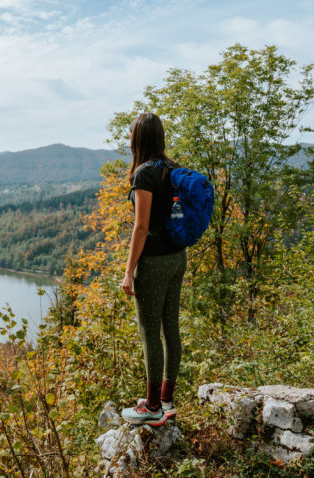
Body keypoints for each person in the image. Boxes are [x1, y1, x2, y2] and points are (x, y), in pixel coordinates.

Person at [119, 112, 187, 426]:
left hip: (155, 263)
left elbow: (141, 226)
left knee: (150, 335)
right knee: (170, 328)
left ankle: (152, 407)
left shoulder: (145, 173)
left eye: (131, 134)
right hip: (177, 257)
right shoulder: (172, 169)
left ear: (138, 139)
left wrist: (129, 270)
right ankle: (167, 399)